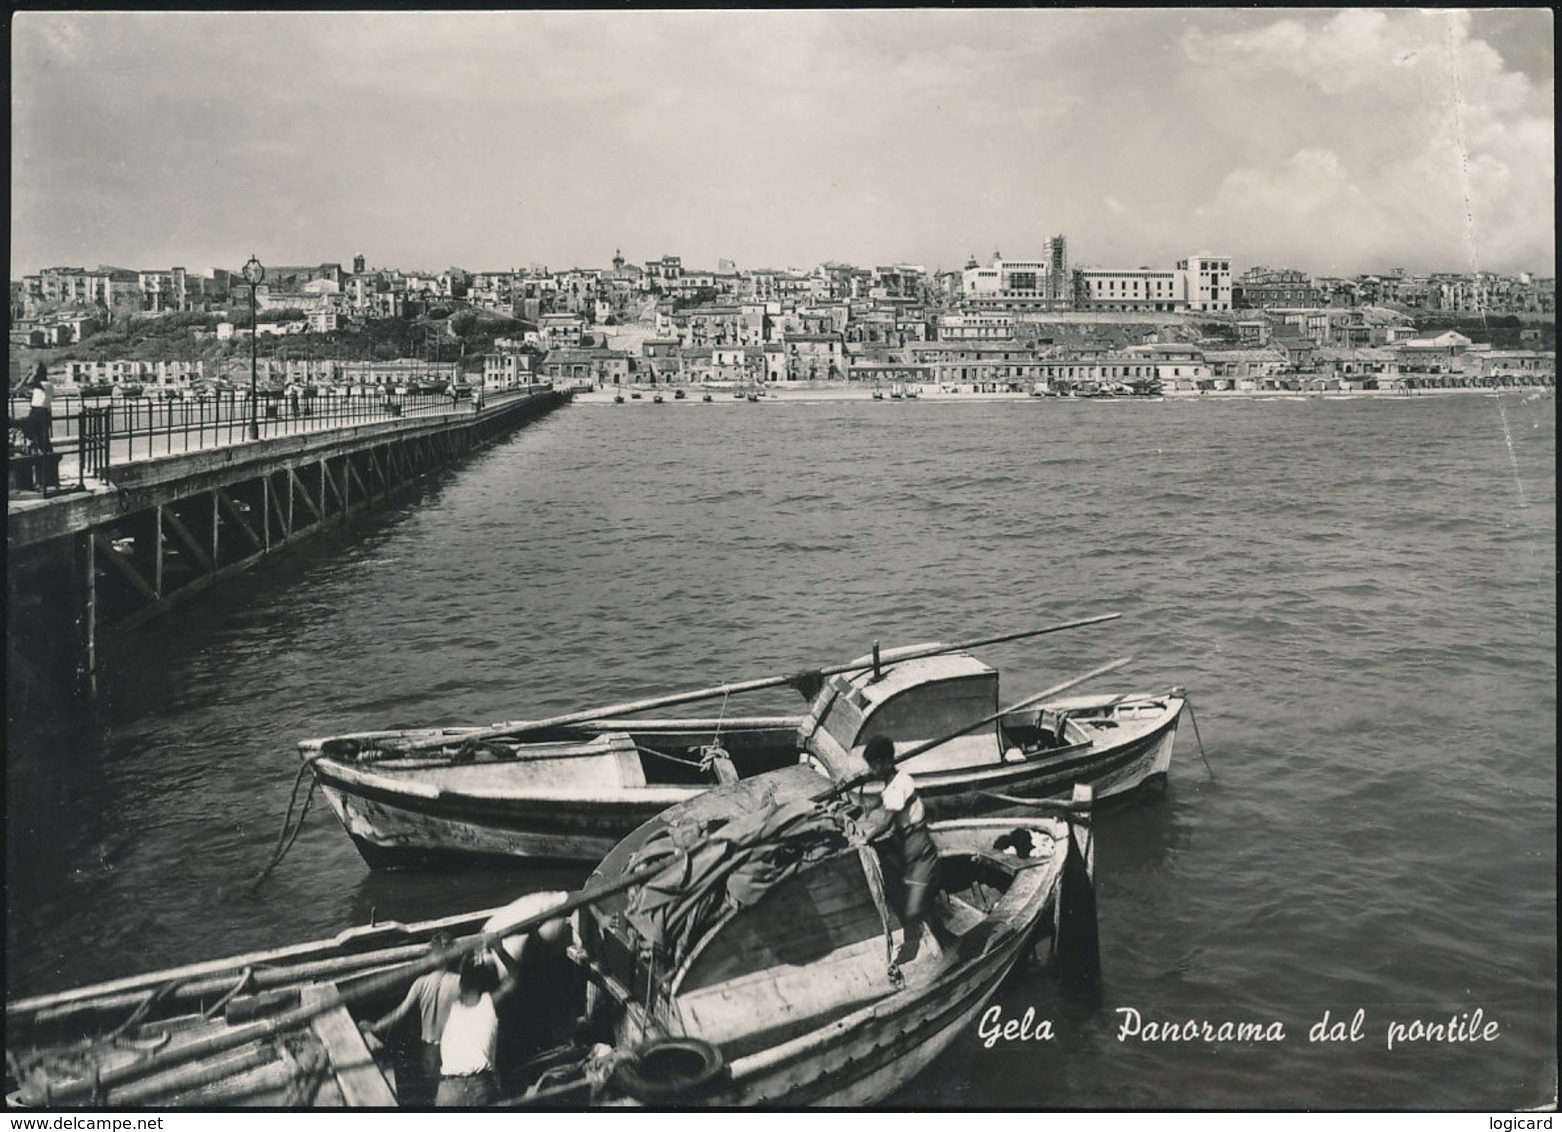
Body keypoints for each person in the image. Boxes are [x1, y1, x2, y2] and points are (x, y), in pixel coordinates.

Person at [861, 734, 955, 964]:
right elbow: (885, 799)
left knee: (916, 905)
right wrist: (871, 803)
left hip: (917, 846)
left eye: (873, 766)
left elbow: (886, 823)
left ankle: (950, 949)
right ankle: (946, 937)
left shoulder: (895, 787)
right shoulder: (899, 779)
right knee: (914, 895)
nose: (872, 772)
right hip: (911, 843)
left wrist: (864, 839)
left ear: (884, 762)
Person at [359, 932, 461, 1106]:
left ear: (431, 956)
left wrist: (376, 1026)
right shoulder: (460, 983)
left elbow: (400, 1012)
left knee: (432, 1092)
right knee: (449, 1092)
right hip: (450, 1048)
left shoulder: (421, 983)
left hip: (427, 1048)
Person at [435, 946, 521, 1107]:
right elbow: (514, 975)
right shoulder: (490, 1003)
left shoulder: (448, 1008)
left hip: (450, 1088)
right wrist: (498, 947)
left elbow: (433, 1053)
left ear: (460, 983)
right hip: (481, 1087)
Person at [23, 364, 53, 454]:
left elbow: (26, 384)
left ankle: (31, 444)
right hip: (45, 412)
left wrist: (29, 374)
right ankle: (48, 458)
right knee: (43, 438)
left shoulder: (43, 385)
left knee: (29, 430)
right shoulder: (47, 385)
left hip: (37, 412)